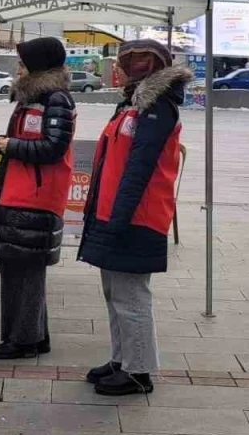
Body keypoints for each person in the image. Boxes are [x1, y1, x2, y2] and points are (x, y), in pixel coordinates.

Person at [78, 39, 190, 396]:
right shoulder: (131, 105)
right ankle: (121, 359)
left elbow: (140, 168)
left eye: (125, 62)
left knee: (131, 295)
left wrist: (119, 218)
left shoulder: (157, 108)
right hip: (114, 212)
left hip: (136, 217)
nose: (118, 67)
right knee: (115, 292)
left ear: (142, 67)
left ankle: (139, 371)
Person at [0, 37, 76, 359]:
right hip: (18, 191)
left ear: (38, 65)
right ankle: (33, 334)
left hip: (37, 195)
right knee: (15, 266)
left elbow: (53, 147)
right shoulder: (31, 98)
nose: (17, 68)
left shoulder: (56, 99)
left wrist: (11, 146)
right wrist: (6, 143)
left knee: (28, 270)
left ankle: (23, 341)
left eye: (22, 63)